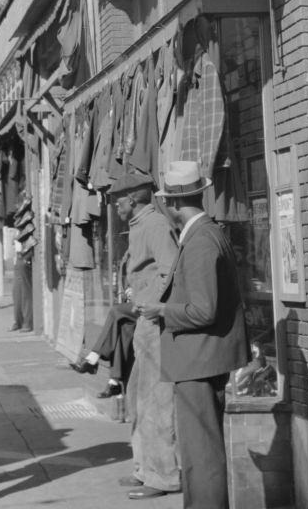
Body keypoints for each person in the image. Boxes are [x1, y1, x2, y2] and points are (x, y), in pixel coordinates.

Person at [138, 161, 250, 509]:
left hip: (198, 360)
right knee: (201, 452)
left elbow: (204, 310)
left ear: (171, 204)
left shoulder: (201, 241)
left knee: (200, 455)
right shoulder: (206, 233)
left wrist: (160, 311)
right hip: (202, 358)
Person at [106, 171, 180, 500]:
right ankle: (144, 468)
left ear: (132, 200)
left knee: (157, 402)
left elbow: (170, 267)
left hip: (155, 325)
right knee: (138, 399)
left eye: (116, 200)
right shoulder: (141, 226)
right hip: (144, 324)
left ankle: (163, 476)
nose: (114, 206)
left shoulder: (155, 225)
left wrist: (151, 303)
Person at [70, 301, 137, 398]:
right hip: (141, 302)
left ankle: (93, 359)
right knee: (123, 327)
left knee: (116, 311)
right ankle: (114, 383)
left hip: (152, 304)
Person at [9, 241, 33, 333]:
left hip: (24, 260)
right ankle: (18, 321)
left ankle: (27, 323)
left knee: (26, 295)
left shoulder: (28, 229)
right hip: (17, 261)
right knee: (17, 295)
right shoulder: (17, 232)